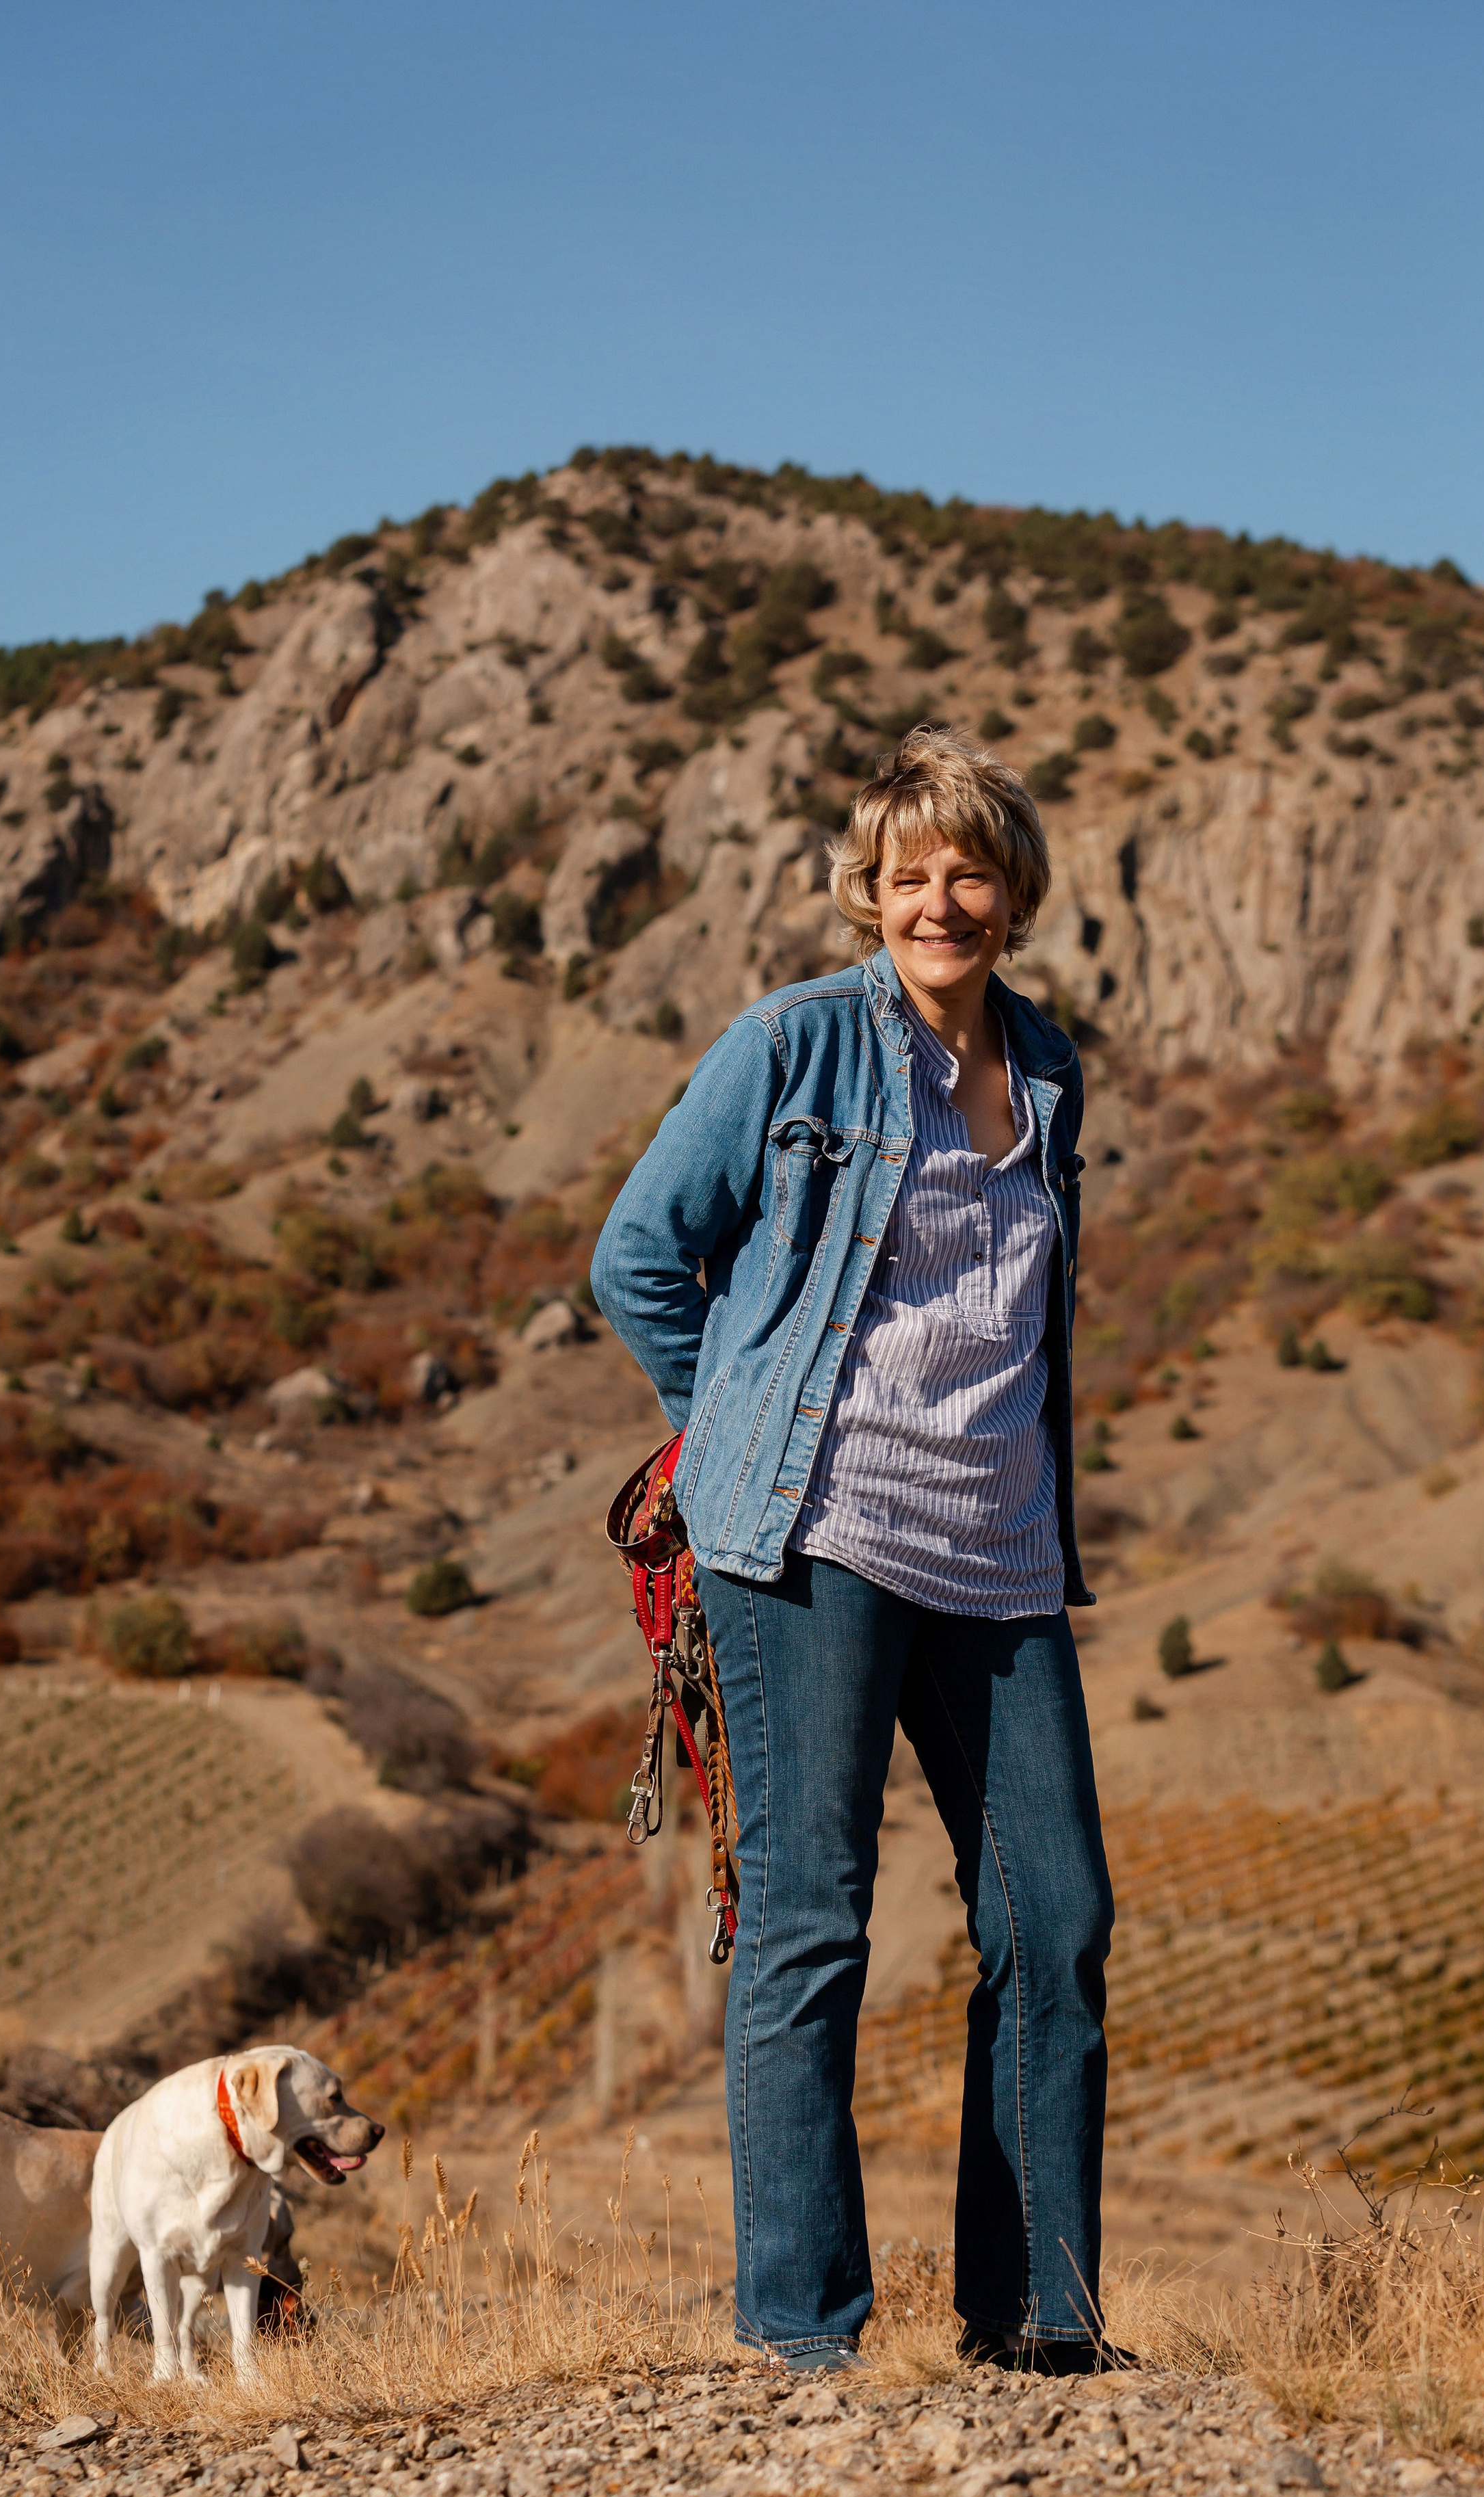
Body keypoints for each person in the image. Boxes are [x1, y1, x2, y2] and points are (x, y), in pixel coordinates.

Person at [591, 724, 1114, 2373]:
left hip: (1000, 1553)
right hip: (813, 1538)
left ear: (1011, 890)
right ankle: (801, 2336)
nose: (936, 902)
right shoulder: (793, 1044)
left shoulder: (1047, 1068)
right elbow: (636, 1257)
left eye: (966, 872)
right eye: (905, 877)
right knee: (812, 1923)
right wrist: (739, 1420)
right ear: (865, 895)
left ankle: (1036, 2322)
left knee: (1055, 1922)